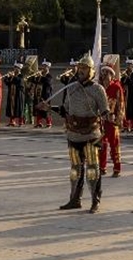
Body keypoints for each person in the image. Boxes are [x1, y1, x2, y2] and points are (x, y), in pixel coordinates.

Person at [42, 54, 108, 213]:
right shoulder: (71, 88)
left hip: (91, 134)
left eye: (85, 68)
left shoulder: (98, 89)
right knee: (75, 169)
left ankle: (95, 200)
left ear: (91, 71)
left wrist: (108, 123)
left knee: (92, 169)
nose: (81, 71)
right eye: (80, 68)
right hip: (73, 135)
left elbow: (105, 112)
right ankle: (75, 199)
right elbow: (65, 111)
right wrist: (49, 108)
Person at [98, 62, 124, 177]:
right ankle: (102, 167)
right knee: (101, 145)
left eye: (107, 73)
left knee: (114, 145)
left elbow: (121, 104)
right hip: (100, 120)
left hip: (112, 121)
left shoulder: (116, 87)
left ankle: (117, 168)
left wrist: (118, 119)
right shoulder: (99, 88)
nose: (104, 75)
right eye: (103, 73)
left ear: (111, 74)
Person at [120, 59, 133, 134]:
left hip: (132, 95)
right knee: (125, 110)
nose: (128, 66)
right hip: (125, 95)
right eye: (127, 65)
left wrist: (128, 79)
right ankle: (125, 126)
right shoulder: (124, 74)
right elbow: (122, 82)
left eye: (130, 65)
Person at [4, 61, 26, 127]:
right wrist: (7, 77)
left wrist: (13, 77)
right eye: (14, 67)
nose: (14, 69)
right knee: (11, 107)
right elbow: (7, 83)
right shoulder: (12, 76)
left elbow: (20, 82)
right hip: (11, 94)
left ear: (19, 68)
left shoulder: (21, 76)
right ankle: (12, 121)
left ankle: (20, 121)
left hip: (18, 94)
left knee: (19, 107)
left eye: (16, 68)